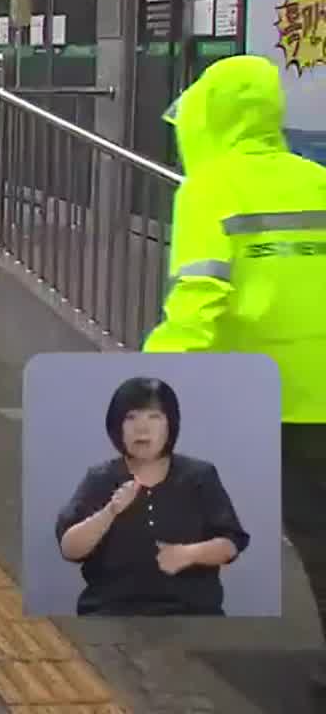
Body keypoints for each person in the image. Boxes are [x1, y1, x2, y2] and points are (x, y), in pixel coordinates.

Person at [143, 56, 326, 673]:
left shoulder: (209, 189)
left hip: (269, 394)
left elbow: (199, 299)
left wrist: (150, 382)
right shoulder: (316, 178)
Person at [55, 377, 247, 615]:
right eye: (131, 418)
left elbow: (231, 544)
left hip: (191, 613)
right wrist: (110, 512)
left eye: (154, 417)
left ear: (170, 425)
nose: (142, 428)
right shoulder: (101, 478)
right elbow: (69, 549)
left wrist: (187, 554)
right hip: (110, 612)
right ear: (117, 427)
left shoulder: (199, 476)